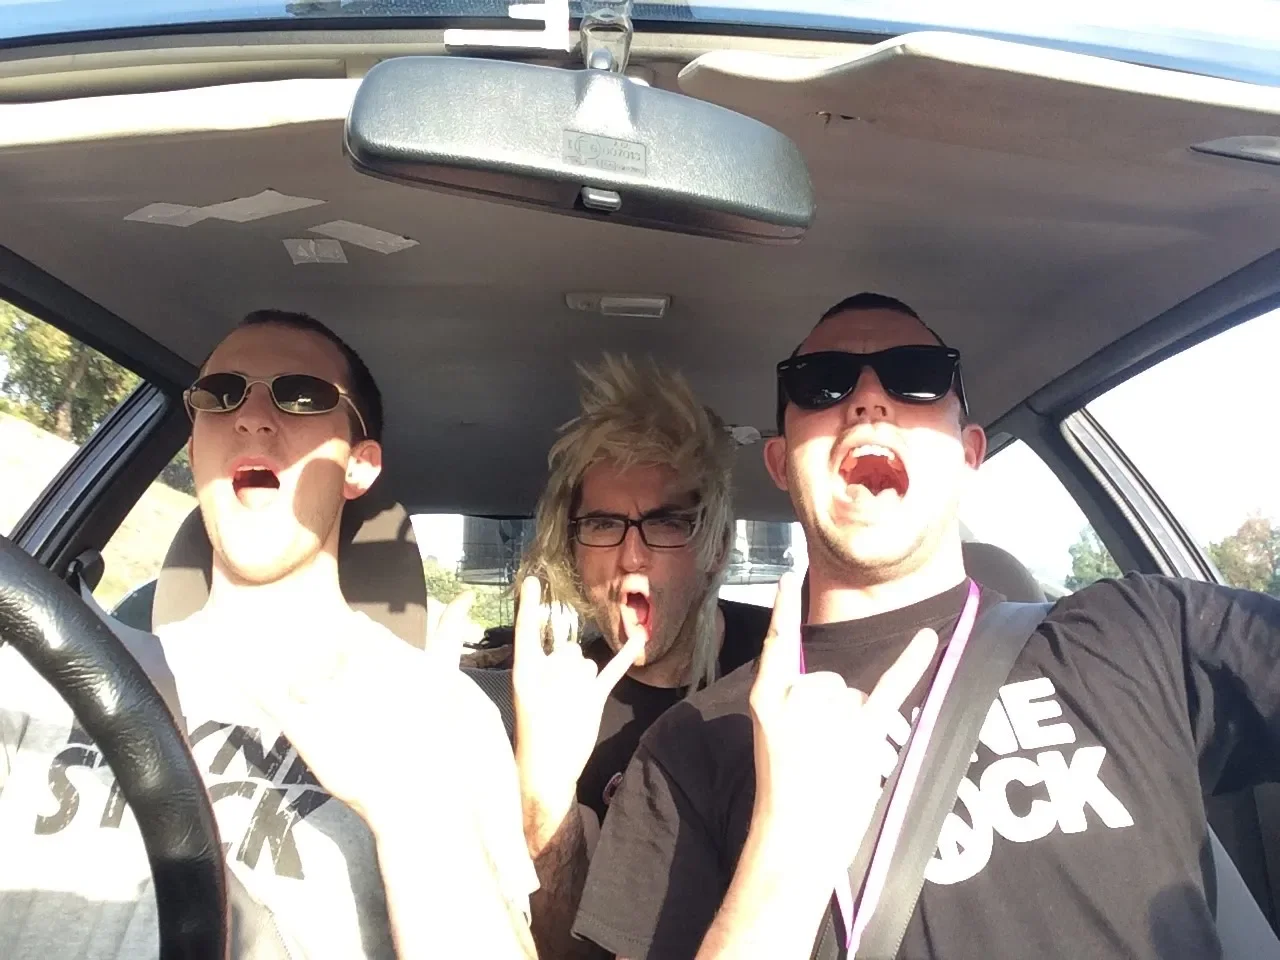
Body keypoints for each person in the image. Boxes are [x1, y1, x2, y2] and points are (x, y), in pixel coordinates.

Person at [572, 291, 1280, 959]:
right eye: (823, 383)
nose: (868, 401)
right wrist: (782, 863)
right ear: (782, 465)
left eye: (917, 377)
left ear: (969, 451)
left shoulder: (1140, 630)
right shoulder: (690, 748)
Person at [0, 309, 537, 959]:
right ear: (194, 447)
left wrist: (412, 810)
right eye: (221, 394)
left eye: (301, 396)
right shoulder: (45, 671)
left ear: (358, 467)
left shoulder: (441, 715)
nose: (252, 416)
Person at [510, 354, 772, 958]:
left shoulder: (786, 664)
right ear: (575, 549)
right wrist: (543, 799)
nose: (632, 556)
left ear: (716, 545)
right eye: (603, 524)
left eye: (667, 523)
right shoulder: (541, 707)